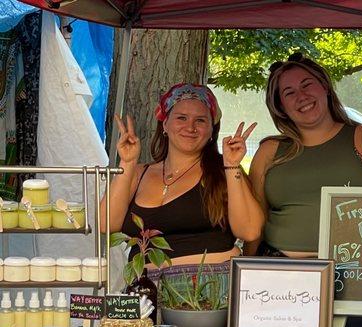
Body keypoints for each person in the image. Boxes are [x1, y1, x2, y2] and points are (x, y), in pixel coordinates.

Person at [101, 83, 264, 285]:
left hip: (211, 289)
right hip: (145, 291)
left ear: (211, 130)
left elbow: (250, 231)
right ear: (165, 124)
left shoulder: (224, 172)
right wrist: (127, 162)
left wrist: (232, 166)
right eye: (181, 118)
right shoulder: (138, 172)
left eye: (201, 120)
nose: (190, 127)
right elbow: (105, 224)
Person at [247, 53, 362, 258]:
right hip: (279, 273)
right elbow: (253, 224)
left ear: (325, 87)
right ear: (281, 107)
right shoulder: (269, 150)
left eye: (307, 85)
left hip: (354, 269)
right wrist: (245, 270)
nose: (301, 96)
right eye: (289, 92)